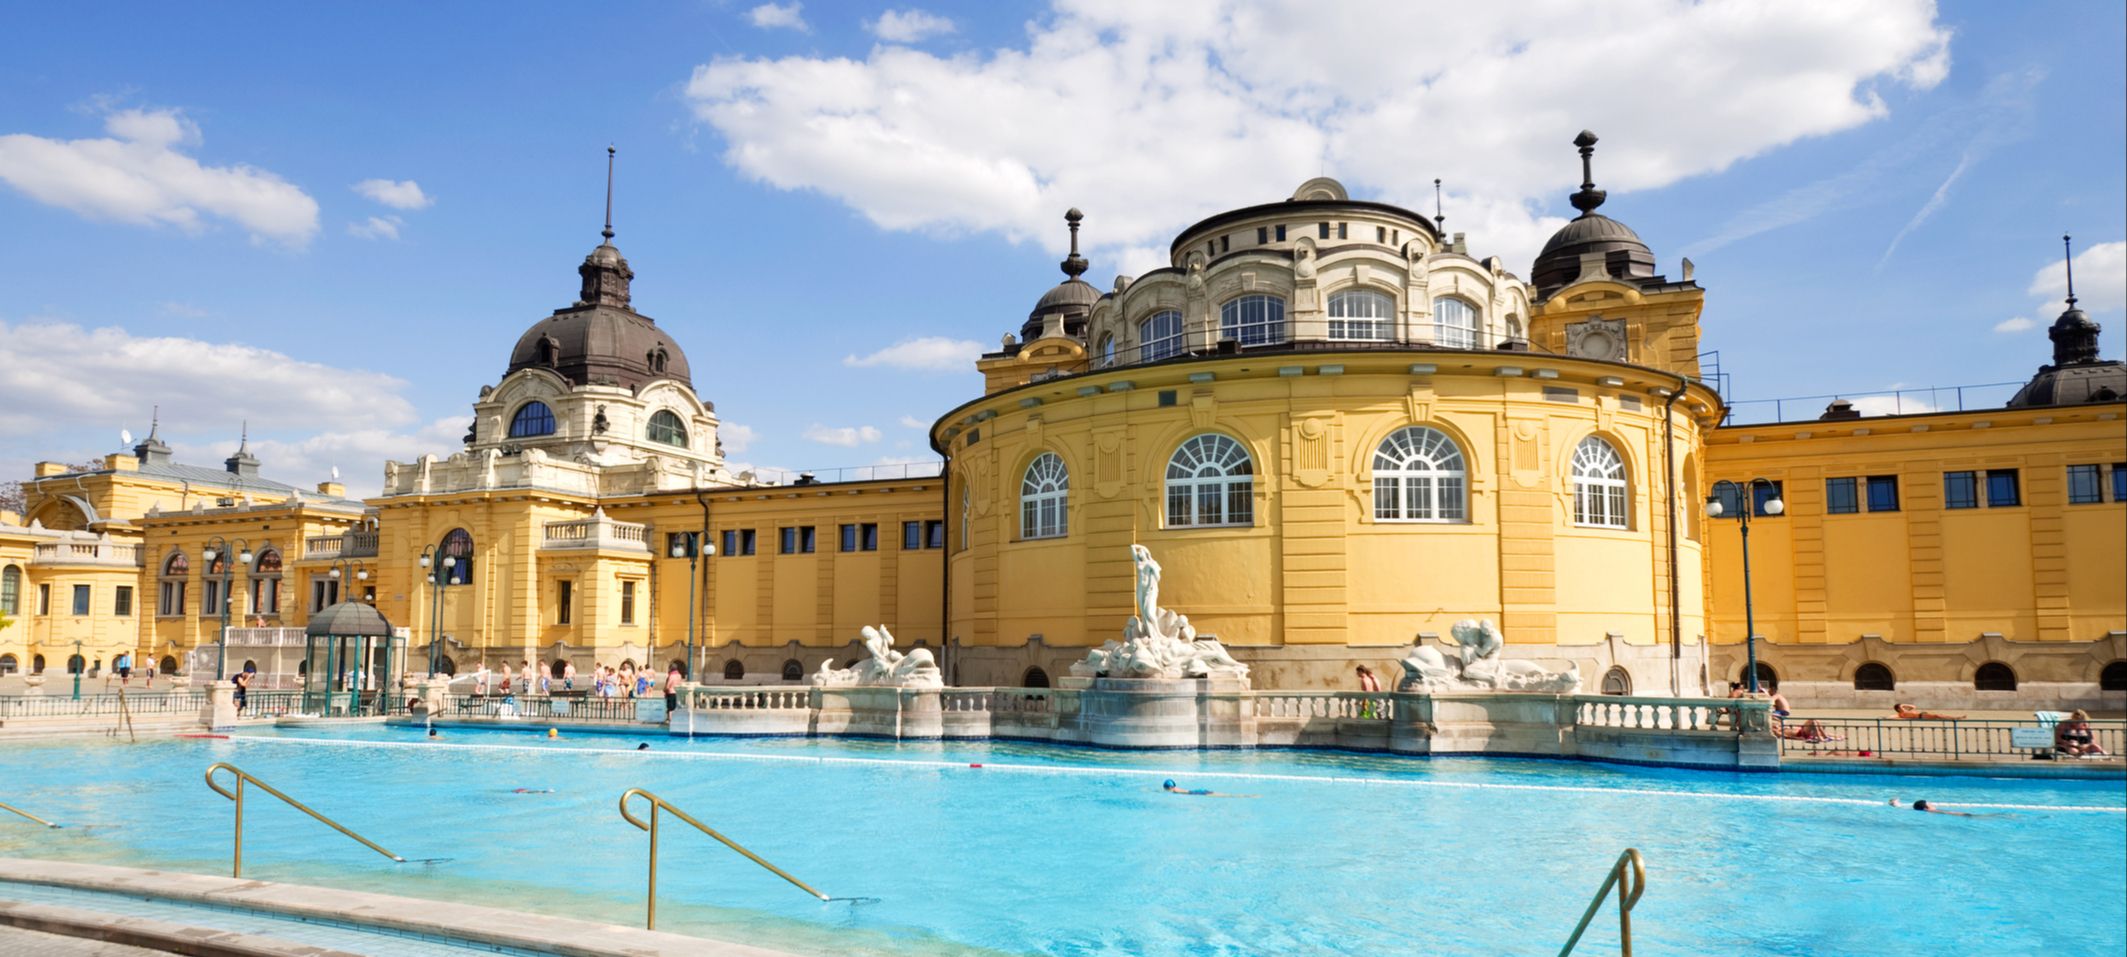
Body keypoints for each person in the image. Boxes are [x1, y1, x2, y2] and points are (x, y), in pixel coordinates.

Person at [1890, 798, 1978, 817]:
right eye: (1929, 804)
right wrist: (1966, 814)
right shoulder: (1933, 811)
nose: (1931, 804)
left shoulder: (1911, 808)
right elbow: (1948, 813)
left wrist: (1894, 802)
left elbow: (1898, 806)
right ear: (1926, 808)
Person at [1893, 703, 1964, 720]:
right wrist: (1902, 705)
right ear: (1899, 709)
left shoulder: (1905, 711)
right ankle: (1955, 718)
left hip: (1922, 714)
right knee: (1937, 715)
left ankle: (1955, 717)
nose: (1903, 707)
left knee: (1939, 715)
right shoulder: (1902, 713)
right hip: (1921, 716)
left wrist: (1904, 705)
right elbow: (1895, 716)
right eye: (1901, 707)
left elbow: (1913, 706)